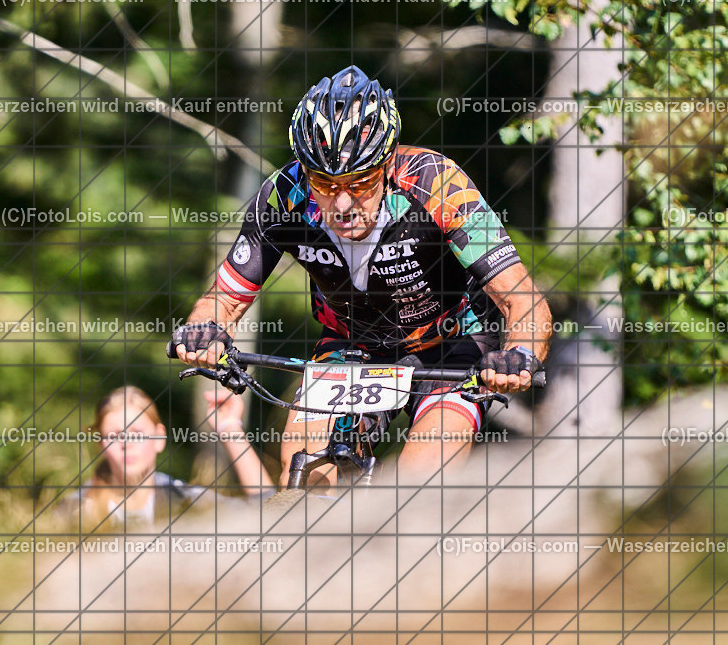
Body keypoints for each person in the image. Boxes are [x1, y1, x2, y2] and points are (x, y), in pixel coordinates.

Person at [172, 65, 553, 485]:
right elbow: (222, 300)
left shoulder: (437, 184)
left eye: (360, 182)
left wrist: (520, 354)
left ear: (387, 164)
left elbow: (522, 299)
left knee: (418, 483)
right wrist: (201, 332)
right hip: (352, 345)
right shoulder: (282, 198)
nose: (341, 203)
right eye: (323, 182)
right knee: (304, 465)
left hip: (452, 344)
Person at [66, 385, 272, 527]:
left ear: (159, 438)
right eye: (114, 435)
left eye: (137, 433)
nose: (126, 443)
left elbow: (268, 510)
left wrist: (230, 428)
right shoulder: (75, 510)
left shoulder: (183, 501)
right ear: (100, 443)